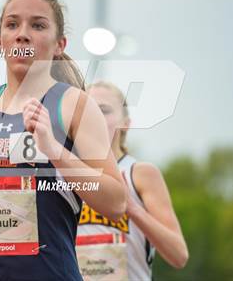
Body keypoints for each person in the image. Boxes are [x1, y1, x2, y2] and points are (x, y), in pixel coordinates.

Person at [0, 0, 128, 280]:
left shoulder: (74, 105)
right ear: (0, 40)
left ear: (59, 44)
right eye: (12, 24)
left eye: (38, 25)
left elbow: (116, 202)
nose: (23, 34)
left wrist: (55, 151)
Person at [76, 81, 189, 281]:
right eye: (89, 109)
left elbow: (179, 255)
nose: (95, 117)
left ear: (125, 122)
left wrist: (133, 209)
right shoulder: (70, 173)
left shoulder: (139, 173)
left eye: (104, 110)